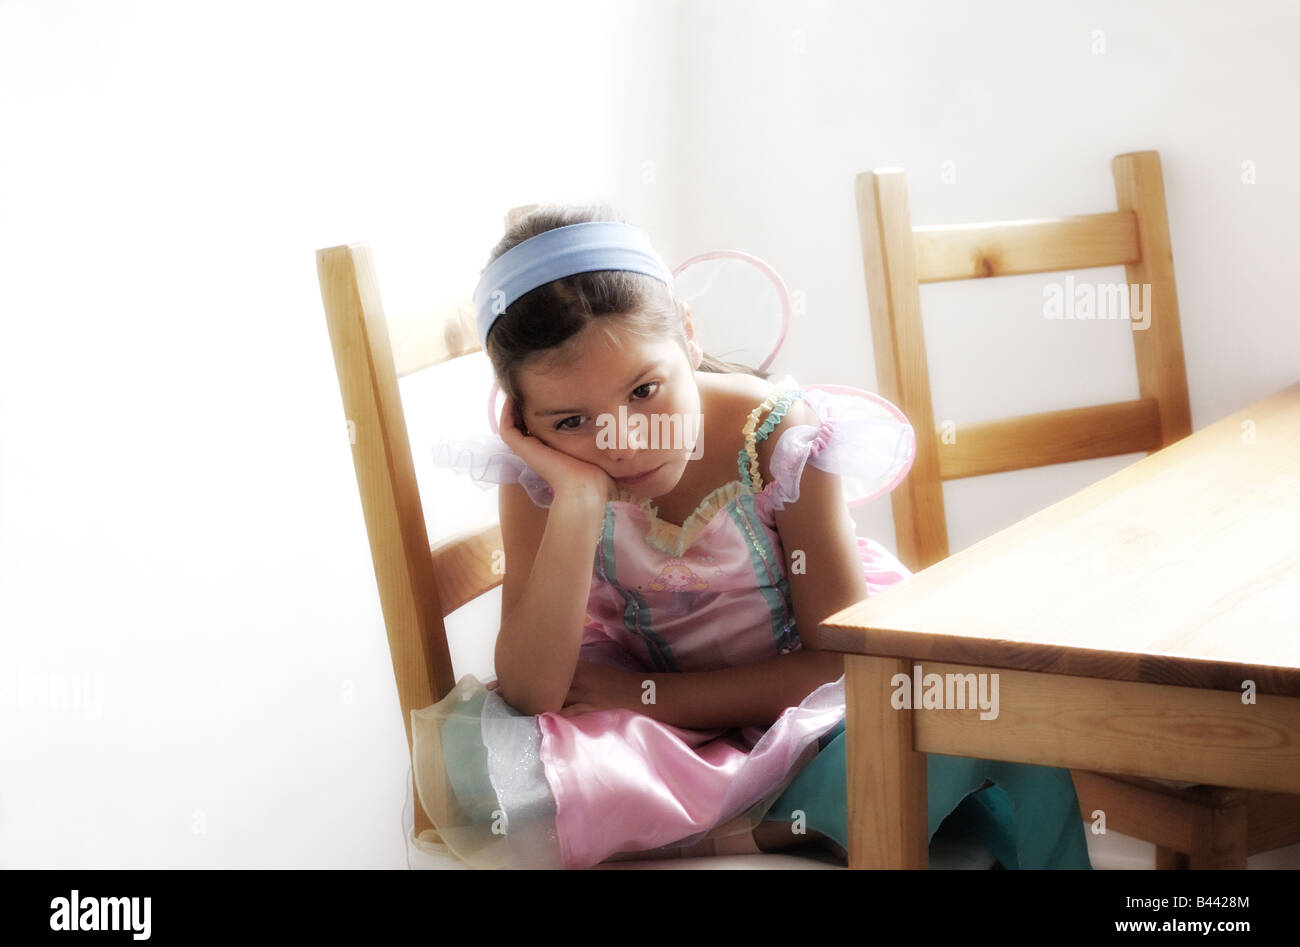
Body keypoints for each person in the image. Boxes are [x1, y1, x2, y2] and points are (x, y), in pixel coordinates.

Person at [409, 203, 1092, 870]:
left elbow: (839, 665)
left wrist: (649, 697)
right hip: (658, 717)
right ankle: (783, 824)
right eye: (569, 422)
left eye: (645, 391)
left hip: (807, 702)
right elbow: (533, 692)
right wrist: (579, 501)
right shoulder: (543, 477)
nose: (624, 441)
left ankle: (752, 828)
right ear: (521, 422)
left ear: (687, 333)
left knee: (960, 712)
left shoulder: (782, 440)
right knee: (516, 776)